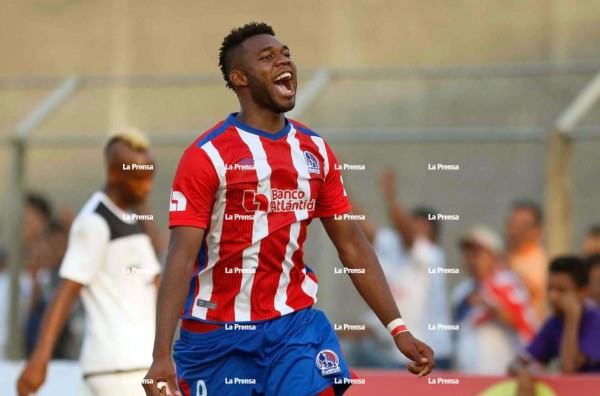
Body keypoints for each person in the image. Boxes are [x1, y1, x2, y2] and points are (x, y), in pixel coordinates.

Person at [143, 22, 434, 396]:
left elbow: (352, 244)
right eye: (267, 57)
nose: (283, 61)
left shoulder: (314, 151)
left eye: (286, 54)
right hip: (218, 337)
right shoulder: (207, 156)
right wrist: (160, 355)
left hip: (294, 327)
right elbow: (180, 259)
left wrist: (398, 327)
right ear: (240, 78)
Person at [17, 128, 161, 396]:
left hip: (140, 367)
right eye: (139, 178)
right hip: (117, 371)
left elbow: (153, 283)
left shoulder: (132, 219)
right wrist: (39, 360)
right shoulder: (94, 222)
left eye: (150, 176)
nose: (147, 186)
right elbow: (67, 290)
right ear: (115, 175)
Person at [350, 170, 453, 370]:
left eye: (420, 226)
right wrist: (338, 184)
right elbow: (361, 224)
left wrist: (390, 198)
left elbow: (408, 234)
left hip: (433, 352)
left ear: (432, 233)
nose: (412, 228)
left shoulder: (431, 254)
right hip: (399, 354)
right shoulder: (394, 245)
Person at [509, 256, 600, 396]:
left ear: (583, 292)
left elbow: (569, 368)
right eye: (550, 289)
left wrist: (573, 317)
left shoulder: (595, 321)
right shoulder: (553, 323)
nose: (553, 297)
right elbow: (518, 361)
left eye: (561, 290)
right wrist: (524, 372)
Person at [453, 225, 537, 375]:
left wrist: (488, 306)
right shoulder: (462, 291)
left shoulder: (508, 284)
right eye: (468, 254)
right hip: (469, 376)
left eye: (477, 254)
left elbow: (521, 322)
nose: (472, 259)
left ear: (494, 256)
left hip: (501, 375)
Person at [506, 200, 548, 323]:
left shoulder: (539, 262)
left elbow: (528, 292)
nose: (515, 231)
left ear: (537, 231)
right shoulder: (504, 257)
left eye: (522, 226)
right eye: (512, 224)